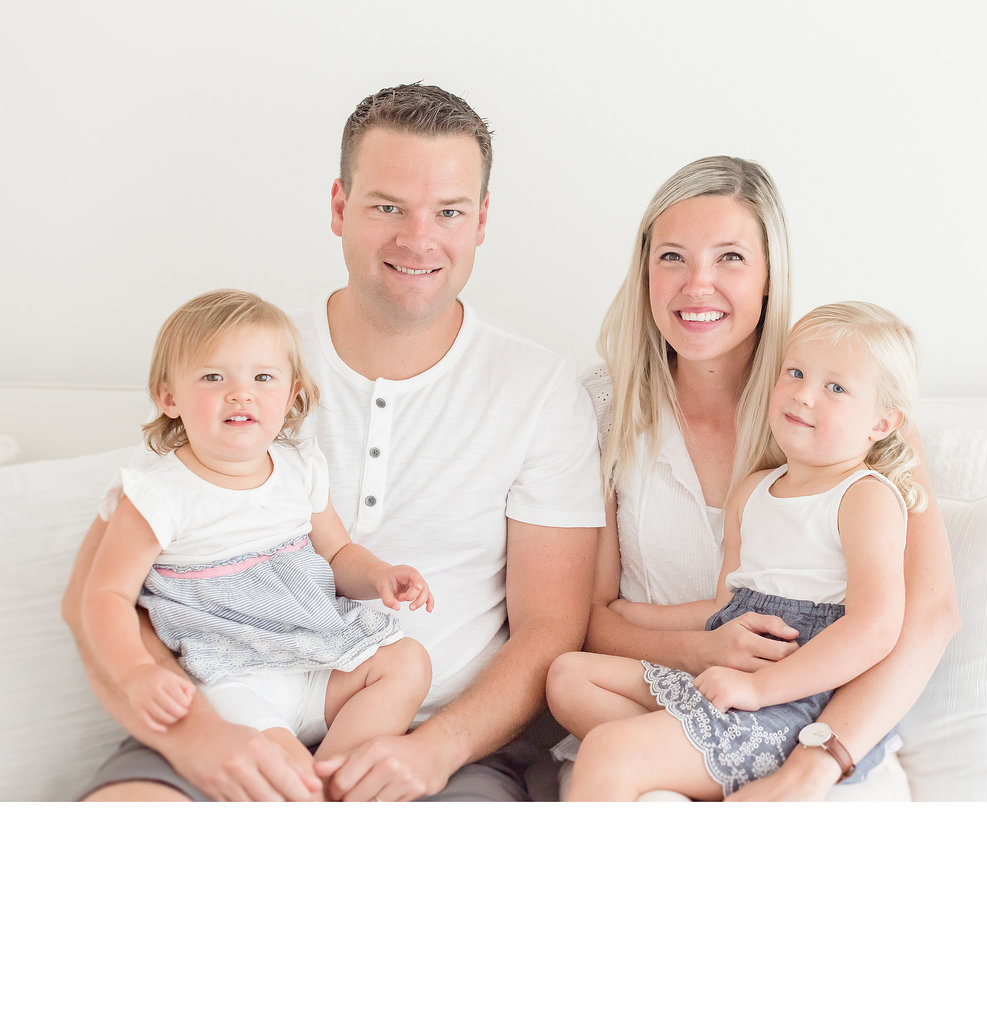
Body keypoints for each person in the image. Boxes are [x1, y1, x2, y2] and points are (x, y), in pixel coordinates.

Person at [63, 82, 605, 801]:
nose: (419, 238)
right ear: (339, 208)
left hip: (440, 749)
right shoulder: (242, 366)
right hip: (221, 724)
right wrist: (193, 733)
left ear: (479, 222)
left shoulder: (538, 389)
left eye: (448, 211)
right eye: (388, 206)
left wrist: (437, 751)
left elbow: (551, 627)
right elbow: (95, 596)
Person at [578, 156, 958, 801]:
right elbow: (594, 620)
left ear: (768, 276)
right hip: (679, 707)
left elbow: (927, 617)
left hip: (820, 735)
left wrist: (818, 762)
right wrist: (704, 654)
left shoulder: (854, 415)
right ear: (645, 272)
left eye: (730, 258)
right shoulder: (602, 409)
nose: (698, 286)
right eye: (672, 257)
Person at [554, 303, 920, 799]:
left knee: (608, 750)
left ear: (882, 423)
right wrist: (637, 614)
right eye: (795, 372)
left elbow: (875, 628)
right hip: (732, 678)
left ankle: (678, 758)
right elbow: (726, 608)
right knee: (569, 676)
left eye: (835, 387)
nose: (804, 394)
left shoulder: (866, 496)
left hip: (796, 700)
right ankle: (700, 762)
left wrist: (759, 689)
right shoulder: (753, 492)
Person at [80, 290, 435, 777]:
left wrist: (378, 576)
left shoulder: (299, 468)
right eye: (213, 377)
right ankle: (308, 788)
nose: (240, 393)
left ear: (291, 395)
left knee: (407, 661)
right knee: (278, 772)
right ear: (169, 398)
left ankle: (336, 777)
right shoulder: (157, 495)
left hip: (322, 661)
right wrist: (136, 673)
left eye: (262, 377)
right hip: (235, 681)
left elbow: (337, 553)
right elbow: (105, 596)